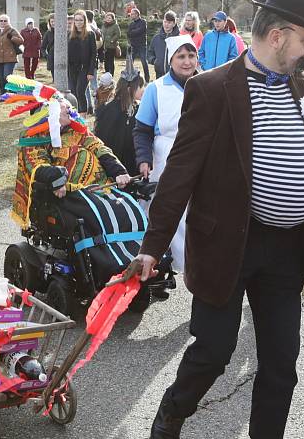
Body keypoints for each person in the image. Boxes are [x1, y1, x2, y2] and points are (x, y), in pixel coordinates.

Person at [138, 0, 304, 439]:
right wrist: (152, 247)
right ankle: (173, 410)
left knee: (281, 363)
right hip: (230, 243)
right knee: (213, 352)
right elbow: (179, 176)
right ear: (278, 36)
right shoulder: (213, 89)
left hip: (287, 250)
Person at [12, 98, 131, 228]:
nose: (70, 109)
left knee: (126, 206)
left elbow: (99, 148)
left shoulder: (76, 130)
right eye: (64, 106)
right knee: (101, 213)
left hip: (102, 187)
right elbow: (36, 164)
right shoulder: (34, 137)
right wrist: (56, 179)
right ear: (50, 113)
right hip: (73, 192)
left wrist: (118, 171)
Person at [134, 35, 198, 275]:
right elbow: (142, 130)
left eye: (191, 56)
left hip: (199, 157)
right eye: (181, 56)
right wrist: (143, 159)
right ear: (170, 60)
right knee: (166, 213)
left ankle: (191, 267)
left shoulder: (205, 84)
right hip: (164, 160)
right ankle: (161, 265)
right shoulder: (156, 89)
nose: (186, 62)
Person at [94, 62, 145, 176]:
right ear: (129, 89)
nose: (143, 89)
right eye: (140, 86)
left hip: (135, 165)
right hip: (114, 167)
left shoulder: (139, 108)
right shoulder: (109, 111)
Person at [67, 10, 97, 115]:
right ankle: (75, 115)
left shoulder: (90, 34)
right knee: (73, 92)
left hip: (85, 68)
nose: (78, 22)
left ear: (85, 21)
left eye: (81, 20)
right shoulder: (69, 34)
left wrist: (91, 71)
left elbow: (94, 54)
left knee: (80, 91)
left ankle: (83, 116)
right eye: (76, 20)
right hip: (72, 68)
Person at [0, 14, 24, 94]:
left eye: (5, 21)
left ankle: (12, 91)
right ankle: (2, 95)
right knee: (1, 78)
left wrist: (12, 38)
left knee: (7, 76)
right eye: (1, 21)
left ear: (8, 22)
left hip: (10, 58)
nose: (3, 22)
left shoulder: (12, 30)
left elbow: (21, 41)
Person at [148, 10, 181, 78]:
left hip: (175, 76)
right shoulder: (156, 38)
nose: (166, 24)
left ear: (174, 24)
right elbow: (149, 53)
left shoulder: (179, 39)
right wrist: (154, 61)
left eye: (169, 22)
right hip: (159, 75)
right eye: (165, 22)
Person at [128, 8, 151, 82]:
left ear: (137, 14)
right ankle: (129, 77)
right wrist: (134, 32)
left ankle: (147, 79)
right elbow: (129, 33)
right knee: (130, 63)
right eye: (131, 14)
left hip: (142, 45)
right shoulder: (131, 24)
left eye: (132, 14)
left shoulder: (143, 22)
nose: (131, 15)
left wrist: (133, 32)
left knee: (144, 62)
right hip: (133, 45)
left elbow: (141, 30)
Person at [40, 14, 56, 78]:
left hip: (64, 59)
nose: (53, 23)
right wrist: (46, 56)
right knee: (55, 80)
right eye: (52, 21)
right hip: (52, 58)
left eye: (55, 21)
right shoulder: (48, 33)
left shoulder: (65, 31)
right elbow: (43, 47)